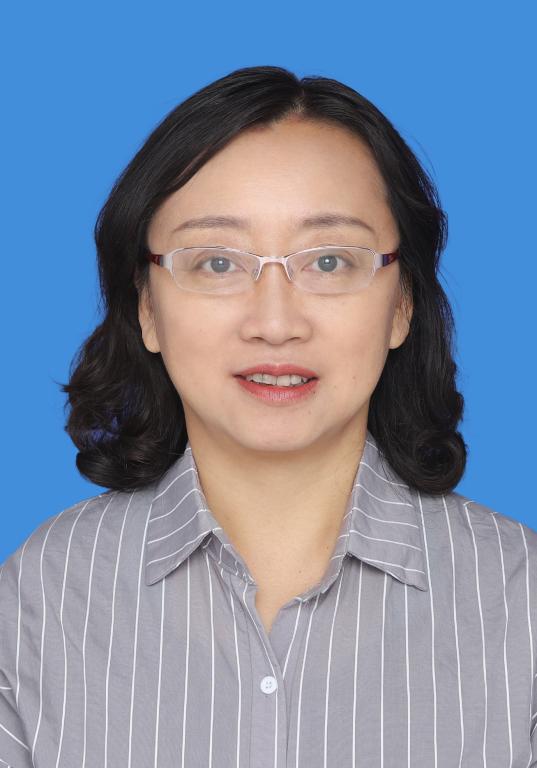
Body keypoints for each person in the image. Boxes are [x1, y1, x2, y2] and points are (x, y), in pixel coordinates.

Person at [1, 66, 535, 768]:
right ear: (146, 307)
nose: (275, 322)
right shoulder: (40, 593)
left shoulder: (520, 597)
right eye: (217, 263)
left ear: (402, 304)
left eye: (330, 261)